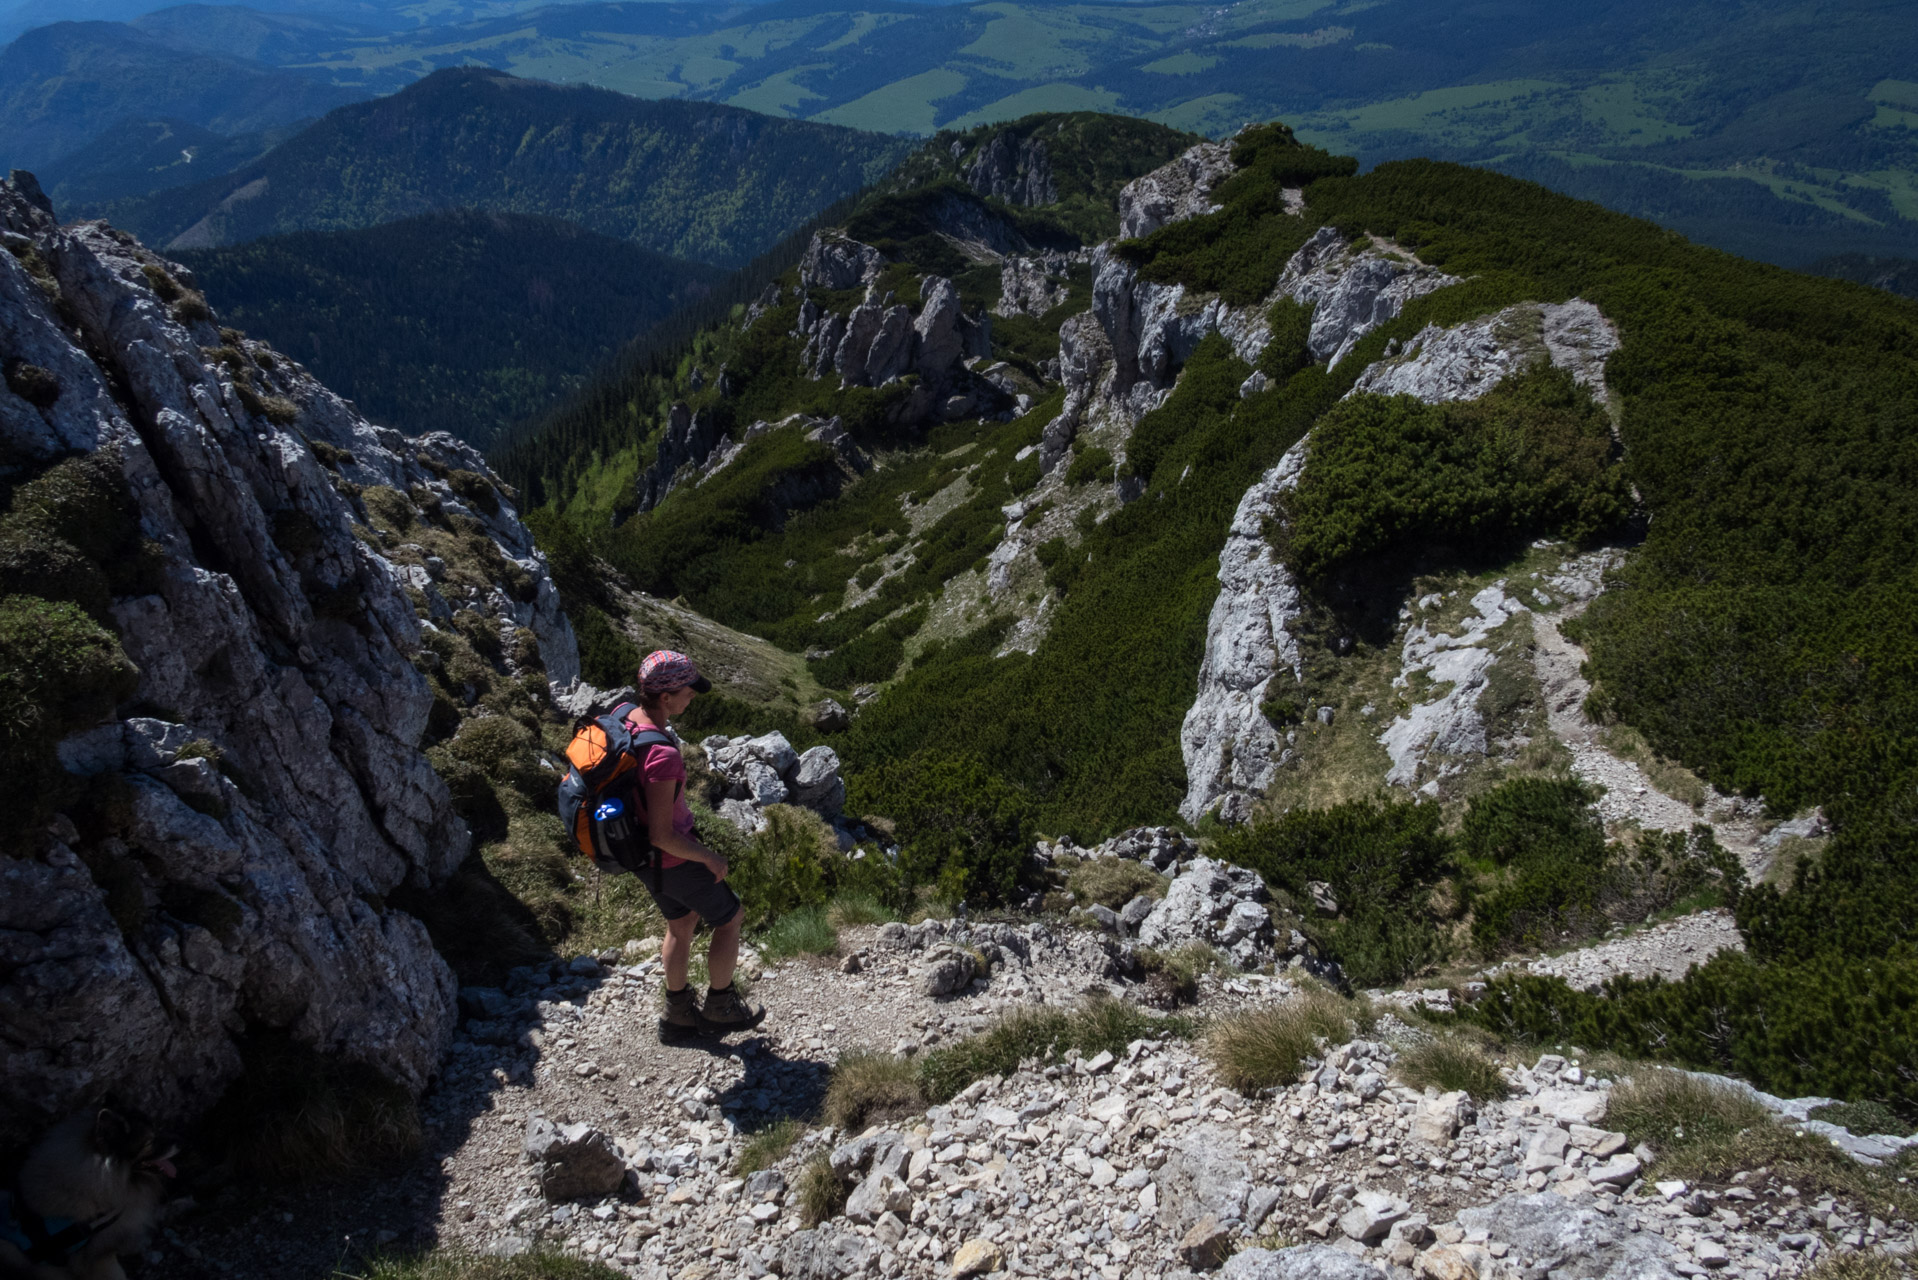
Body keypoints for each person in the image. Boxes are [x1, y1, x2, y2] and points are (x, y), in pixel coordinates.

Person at [626, 649, 766, 1038]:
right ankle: (720, 1006)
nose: (694, 696)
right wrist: (709, 857)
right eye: (688, 691)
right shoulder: (662, 754)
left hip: (643, 858)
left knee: (682, 923)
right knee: (730, 919)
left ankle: (677, 1016)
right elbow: (662, 833)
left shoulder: (628, 721)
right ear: (666, 697)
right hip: (670, 858)